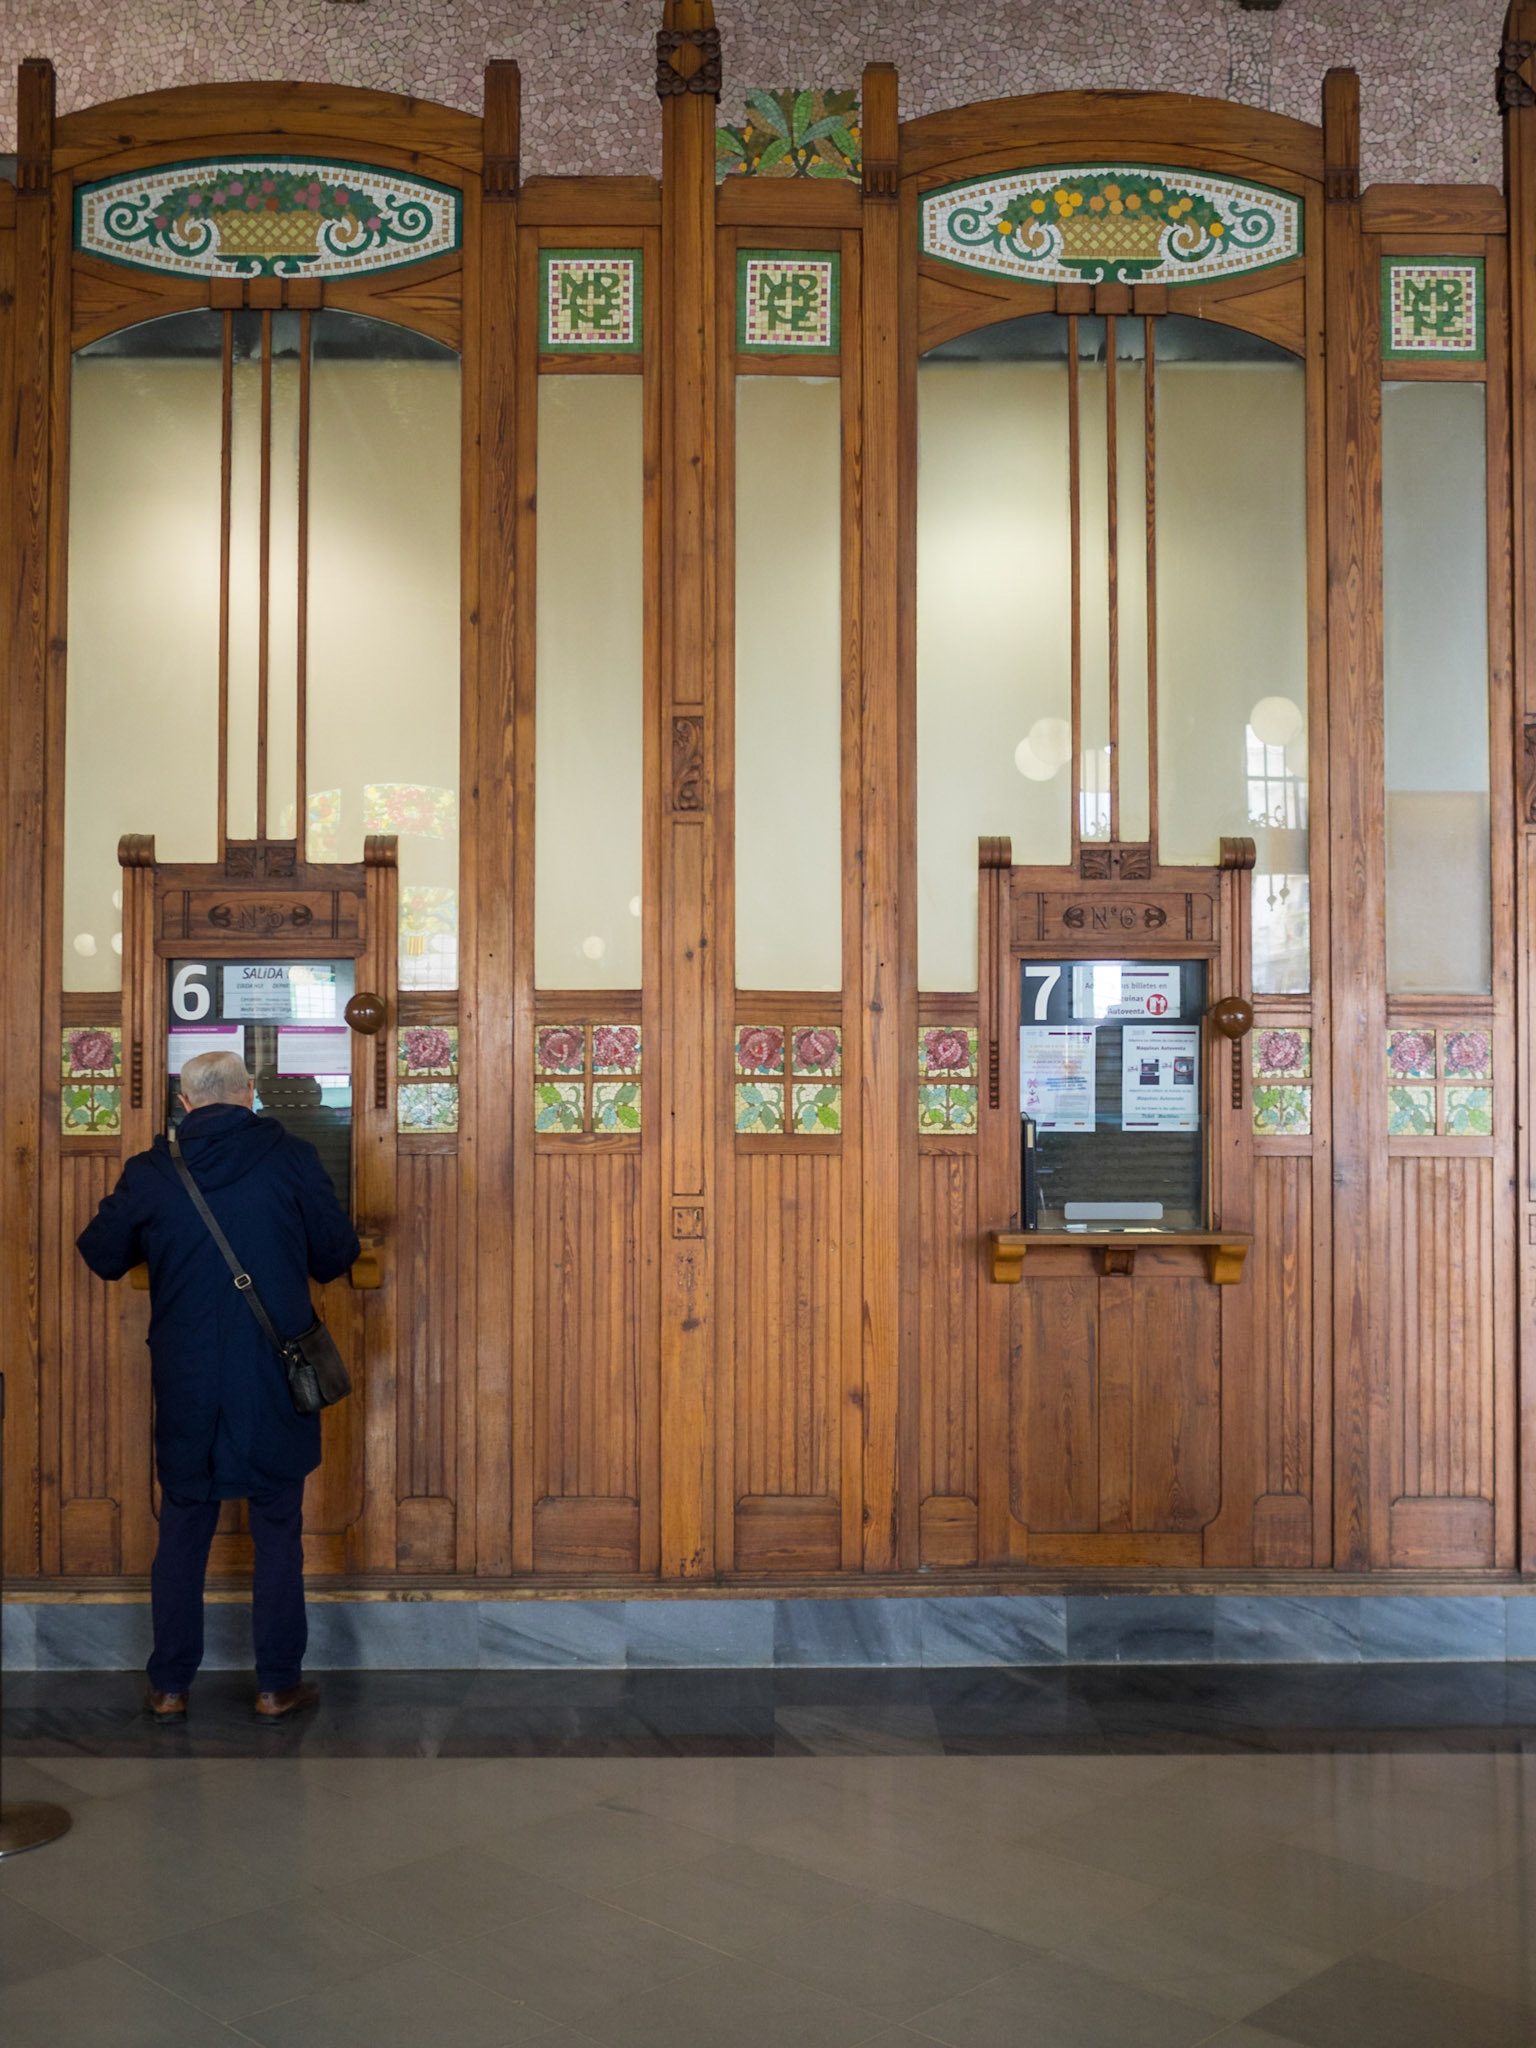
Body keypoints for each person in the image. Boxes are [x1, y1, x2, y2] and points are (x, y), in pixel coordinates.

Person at [77, 1048, 359, 1721]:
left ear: (184, 1102)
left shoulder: (152, 1173)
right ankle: (275, 1685)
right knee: (277, 1527)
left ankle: (170, 1685)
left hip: (188, 1378)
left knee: (182, 1526)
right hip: (273, 1374)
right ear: (250, 1094)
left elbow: (101, 1255)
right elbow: (338, 1253)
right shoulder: (292, 1159)